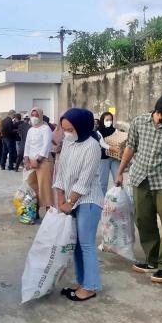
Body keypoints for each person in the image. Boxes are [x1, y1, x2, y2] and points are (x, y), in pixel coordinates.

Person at [115, 90, 162, 283]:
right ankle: (152, 259)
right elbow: (130, 147)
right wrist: (120, 171)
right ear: (158, 109)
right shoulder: (139, 122)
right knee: (143, 220)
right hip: (140, 179)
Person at [54, 108, 104, 302]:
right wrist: (60, 201)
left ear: (82, 127)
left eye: (70, 129)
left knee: (86, 244)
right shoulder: (68, 142)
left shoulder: (92, 146)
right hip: (69, 200)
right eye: (64, 128)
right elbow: (61, 171)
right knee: (75, 246)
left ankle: (90, 287)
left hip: (88, 201)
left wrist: (70, 202)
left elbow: (84, 181)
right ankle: (82, 281)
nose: (66, 132)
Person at [24, 107, 54, 218]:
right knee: (32, 187)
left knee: (45, 188)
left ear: (41, 116)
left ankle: (49, 214)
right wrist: (26, 160)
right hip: (31, 162)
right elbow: (27, 146)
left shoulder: (46, 129)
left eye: (36, 115)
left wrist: (38, 160)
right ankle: (34, 212)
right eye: (32, 115)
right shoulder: (30, 130)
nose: (34, 118)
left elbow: (46, 145)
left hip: (43, 161)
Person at [98, 112, 121, 195]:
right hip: (104, 159)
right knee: (103, 182)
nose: (109, 122)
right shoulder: (99, 132)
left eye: (111, 120)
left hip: (115, 158)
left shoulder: (115, 130)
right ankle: (102, 202)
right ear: (102, 120)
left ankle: (119, 200)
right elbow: (102, 143)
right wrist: (112, 148)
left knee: (118, 180)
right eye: (107, 120)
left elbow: (120, 140)